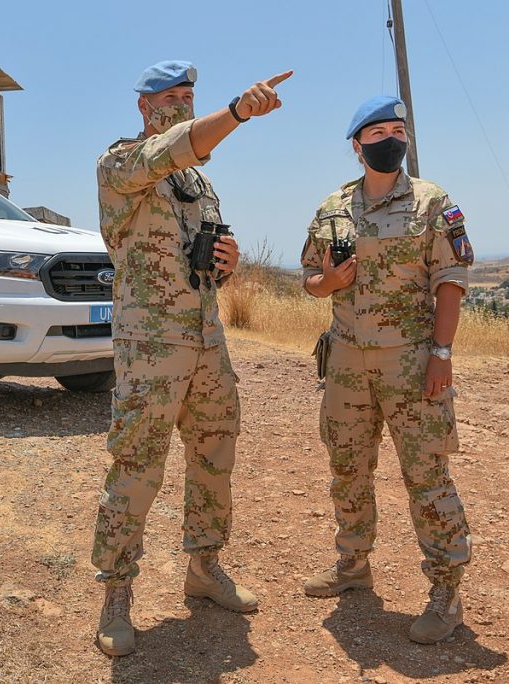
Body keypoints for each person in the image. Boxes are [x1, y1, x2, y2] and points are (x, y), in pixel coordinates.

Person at [92, 60, 292, 657]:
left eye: (189, 96)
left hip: (206, 339)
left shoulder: (199, 186)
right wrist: (237, 112)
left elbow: (201, 253)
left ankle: (204, 568)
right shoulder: (120, 164)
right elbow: (173, 149)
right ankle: (116, 594)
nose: (182, 104)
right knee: (137, 466)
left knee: (214, 453)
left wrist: (225, 261)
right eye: (171, 97)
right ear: (145, 106)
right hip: (150, 345)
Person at [300, 95, 474, 644]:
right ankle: (353, 565)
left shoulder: (431, 201)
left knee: (426, 475)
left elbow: (451, 280)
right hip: (346, 362)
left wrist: (442, 353)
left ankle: (446, 592)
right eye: (377, 134)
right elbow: (310, 277)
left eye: (398, 131)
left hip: (411, 361)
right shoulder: (332, 207)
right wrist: (329, 283)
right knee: (348, 468)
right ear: (357, 146)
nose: (390, 140)